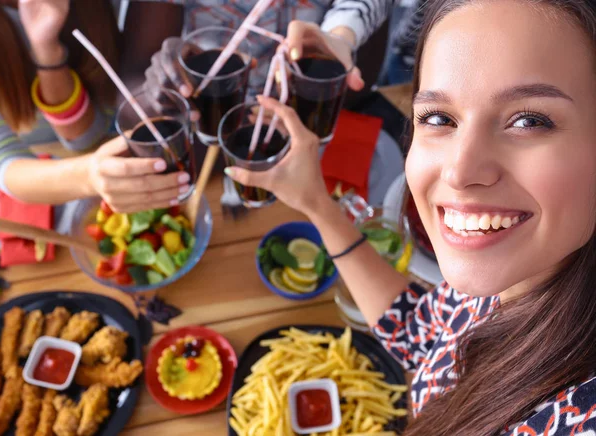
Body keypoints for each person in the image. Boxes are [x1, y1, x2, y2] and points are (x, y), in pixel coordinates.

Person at [224, 0, 596, 433]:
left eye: (530, 120)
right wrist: (316, 203)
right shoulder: (515, 273)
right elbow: (416, 332)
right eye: (439, 117)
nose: (459, 171)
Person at [0, 0, 188, 213]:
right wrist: (89, 177)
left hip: (122, 146)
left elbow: (87, 135)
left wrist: (48, 51)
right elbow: (2, 163)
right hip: (53, 180)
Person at [141, 0, 400, 102]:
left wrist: (339, 37)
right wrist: (162, 93)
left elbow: (361, 86)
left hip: (310, 140)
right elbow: (133, 82)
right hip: (206, 139)